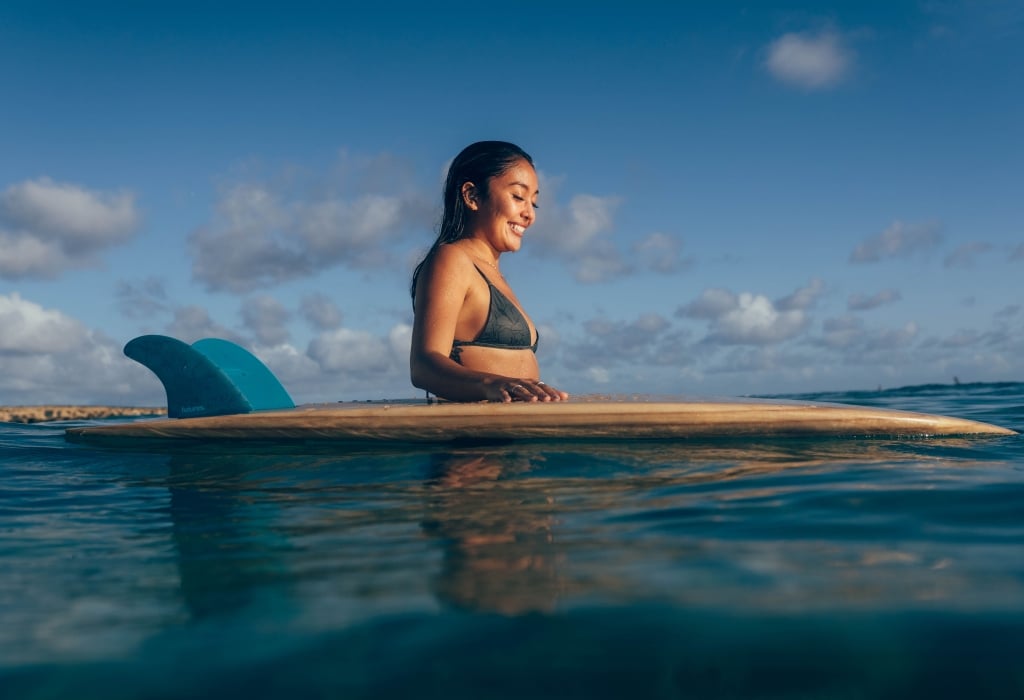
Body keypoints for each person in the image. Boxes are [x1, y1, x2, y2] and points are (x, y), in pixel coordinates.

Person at [410, 141, 569, 403]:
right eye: (518, 197)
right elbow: (423, 365)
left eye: (534, 203)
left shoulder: (492, 272)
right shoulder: (452, 259)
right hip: (474, 440)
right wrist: (495, 383)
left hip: (513, 437)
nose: (529, 215)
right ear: (472, 196)